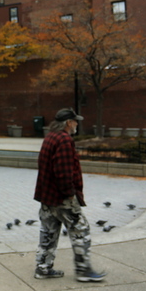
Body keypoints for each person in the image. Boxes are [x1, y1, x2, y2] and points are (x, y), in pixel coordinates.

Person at [33, 108, 106, 282]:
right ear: (68, 123)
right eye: (75, 121)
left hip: (46, 197)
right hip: (61, 198)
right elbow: (63, 173)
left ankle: (42, 268)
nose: (77, 124)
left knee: (48, 233)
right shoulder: (64, 140)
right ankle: (83, 270)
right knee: (81, 230)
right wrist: (70, 195)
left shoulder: (50, 137)